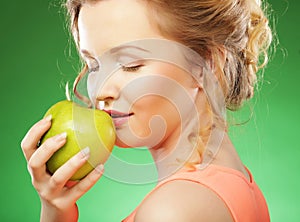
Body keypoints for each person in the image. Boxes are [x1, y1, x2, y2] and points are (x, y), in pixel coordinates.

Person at [21, 0, 273, 221]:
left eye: (131, 65)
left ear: (204, 64)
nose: (100, 91)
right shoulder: (236, 183)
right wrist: (56, 210)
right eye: (93, 65)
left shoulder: (172, 212)